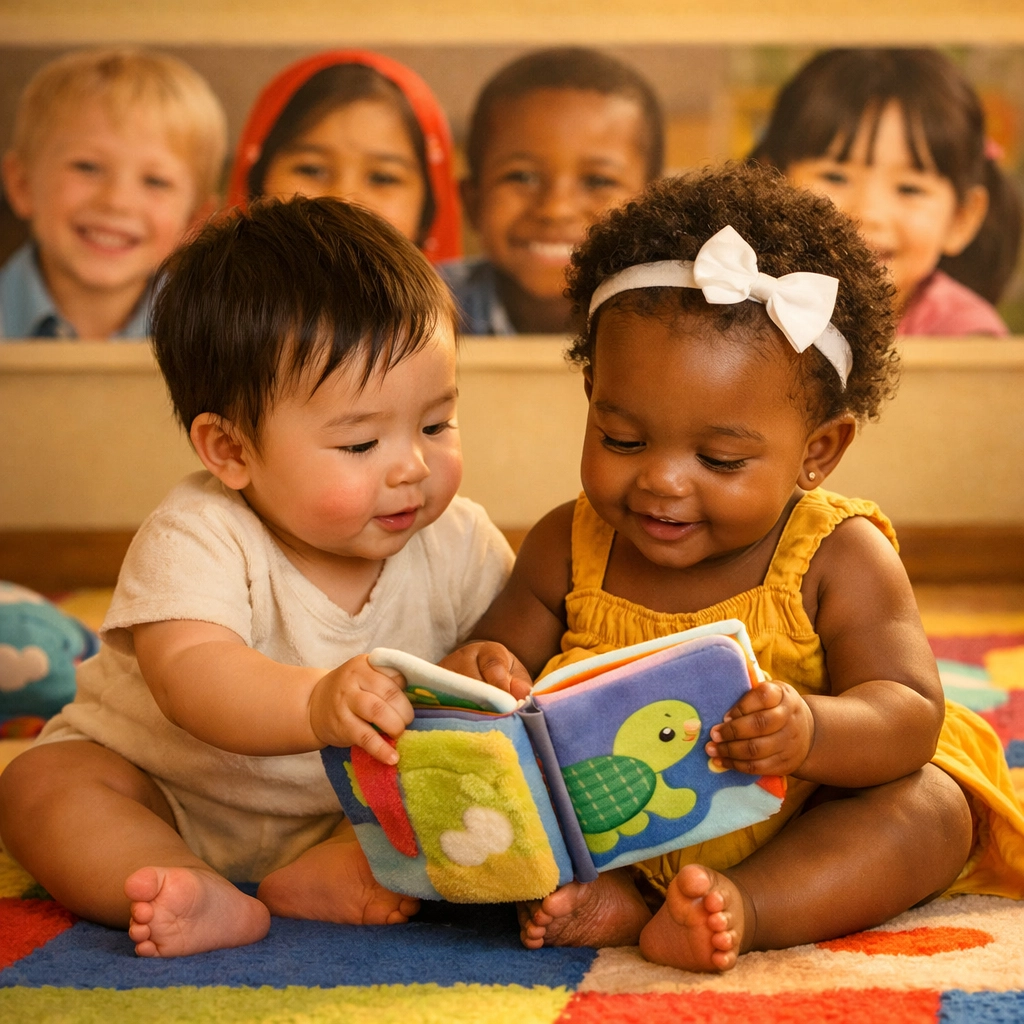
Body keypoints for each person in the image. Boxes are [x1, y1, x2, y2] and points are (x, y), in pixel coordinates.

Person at [452, 165, 1024, 972]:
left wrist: (813, 730)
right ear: (593, 394)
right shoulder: (566, 544)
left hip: (809, 814)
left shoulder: (837, 555)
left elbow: (908, 716)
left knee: (931, 810)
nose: (662, 480)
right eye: (622, 438)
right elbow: (489, 672)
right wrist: (483, 671)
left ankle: (750, 905)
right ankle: (621, 900)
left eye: (719, 458)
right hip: (628, 815)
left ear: (817, 452)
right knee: (496, 810)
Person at [0, 196, 520, 958]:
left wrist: (486, 662)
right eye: (361, 442)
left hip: (347, 810)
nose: (412, 466)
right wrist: (314, 701)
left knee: (471, 798)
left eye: (436, 424)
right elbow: (191, 677)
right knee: (38, 786)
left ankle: (317, 869)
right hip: (165, 789)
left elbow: (510, 641)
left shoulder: (460, 540)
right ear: (231, 451)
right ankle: (178, 879)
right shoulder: (199, 533)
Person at [752, 48, 1022, 337]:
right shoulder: (737, 294)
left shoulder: (965, 335)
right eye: (835, 176)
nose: (868, 213)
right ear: (773, 186)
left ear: (960, 220)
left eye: (909, 189)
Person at [0, 48, 226, 340]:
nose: (116, 201)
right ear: (22, 185)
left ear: (195, 221)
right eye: (87, 167)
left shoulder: (212, 339)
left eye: (156, 181)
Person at [441, 47, 663, 335]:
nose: (555, 209)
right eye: (522, 176)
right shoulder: (417, 310)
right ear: (472, 202)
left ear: (655, 207)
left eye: (597, 181)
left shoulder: (675, 323)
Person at [228, 51, 461, 263]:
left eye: (382, 178)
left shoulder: (464, 306)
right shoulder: (208, 308)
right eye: (311, 170)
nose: (343, 201)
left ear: (428, 210)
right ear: (255, 184)